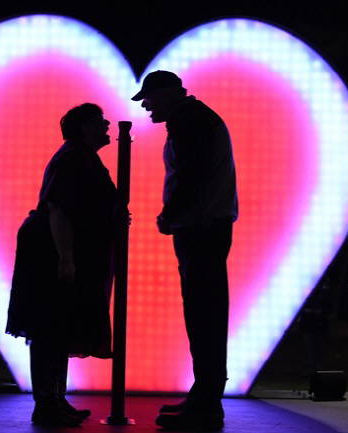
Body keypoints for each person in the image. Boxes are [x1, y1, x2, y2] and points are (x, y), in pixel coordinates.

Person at [132, 71, 238, 430]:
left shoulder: (189, 123)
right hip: (206, 225)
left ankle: (207, 405)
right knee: (204, 313)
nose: (145, 105)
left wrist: (169, 213)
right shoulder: (196, 118)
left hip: (201, 227)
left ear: (168, 96)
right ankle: (204, 397)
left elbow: (192, 176)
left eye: (149, 98)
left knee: (203, 314)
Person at [6, 103, 118, 426]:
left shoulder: (80, 156)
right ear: (84, 126)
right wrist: (66, 259)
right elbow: (58, 208)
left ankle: (55, 398)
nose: (108, 125)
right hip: (50, 253)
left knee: (59, 326)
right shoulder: (73, 158)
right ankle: (47, 403)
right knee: (50, 326)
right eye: (101, 121)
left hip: (56, 250)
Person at [297, 278, 333, 377]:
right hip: (309, 323)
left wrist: (321, 312)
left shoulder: (325, 292)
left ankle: (317, 367)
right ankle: (309, 367)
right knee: (308, 346)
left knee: (318, 346)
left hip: (319, 323)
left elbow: (329, 307)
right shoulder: (305, 291)